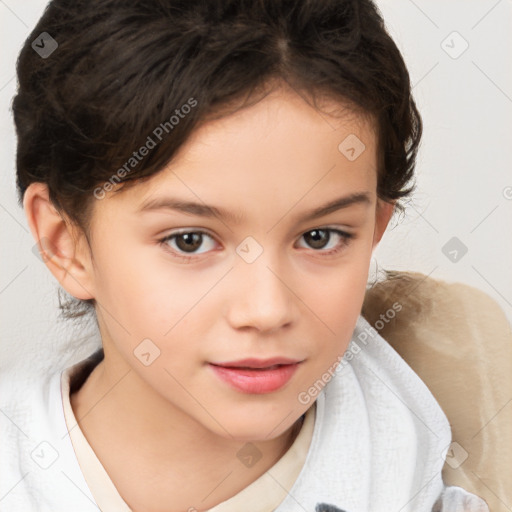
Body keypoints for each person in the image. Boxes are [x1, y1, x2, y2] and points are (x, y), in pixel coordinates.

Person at [1, 0, 490, 510]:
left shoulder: (424, 458)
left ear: (374, 230)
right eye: (189, 240)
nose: (267, 310)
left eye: (321, 237)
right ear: (66, 243)